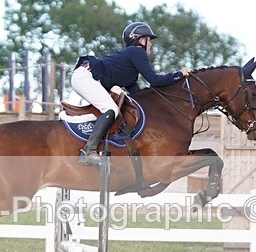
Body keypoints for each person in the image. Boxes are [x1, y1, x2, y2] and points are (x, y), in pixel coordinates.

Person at [71, 21, 191, 166]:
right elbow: (154, 80)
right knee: (111, 110)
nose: (151, 45)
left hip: (85, 76)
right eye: (149, 40)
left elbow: (140, 96)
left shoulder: (129, 70)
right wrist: (179, 74)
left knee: (111, 109)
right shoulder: (137, 51)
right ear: (141, 40)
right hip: (85, 75)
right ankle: (88, 151)